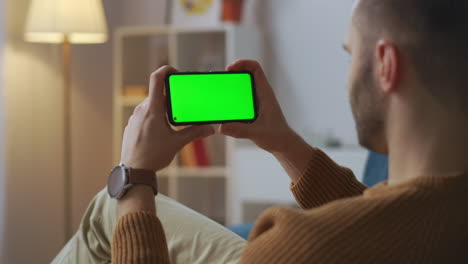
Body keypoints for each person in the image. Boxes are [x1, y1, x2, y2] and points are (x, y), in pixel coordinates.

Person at [61, 0, 468, 263]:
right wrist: (282, 140)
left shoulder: (299, 247)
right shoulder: (438, 214)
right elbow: (387, 227)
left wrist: (134, 178)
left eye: (350, 55)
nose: (347, 80)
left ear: (385, 64)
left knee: (108, 206)